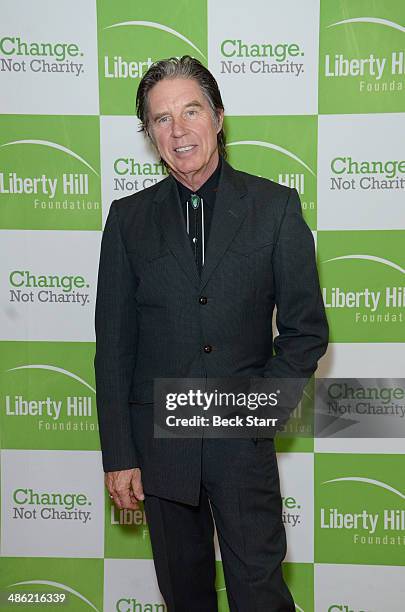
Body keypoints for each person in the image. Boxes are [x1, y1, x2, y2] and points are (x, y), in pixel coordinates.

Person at [94, 55, 328, 611]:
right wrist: (119, 454)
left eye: (191, 110)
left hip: (242, 450)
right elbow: (114, 348)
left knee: (261, 595)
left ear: (218, 117)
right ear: (149, 134)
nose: (178, 130)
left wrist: (256, 416)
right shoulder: (127, 220)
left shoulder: (274, 208)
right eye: (161, 118)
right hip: (160, 450)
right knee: (184, 597)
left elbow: (304, 331)